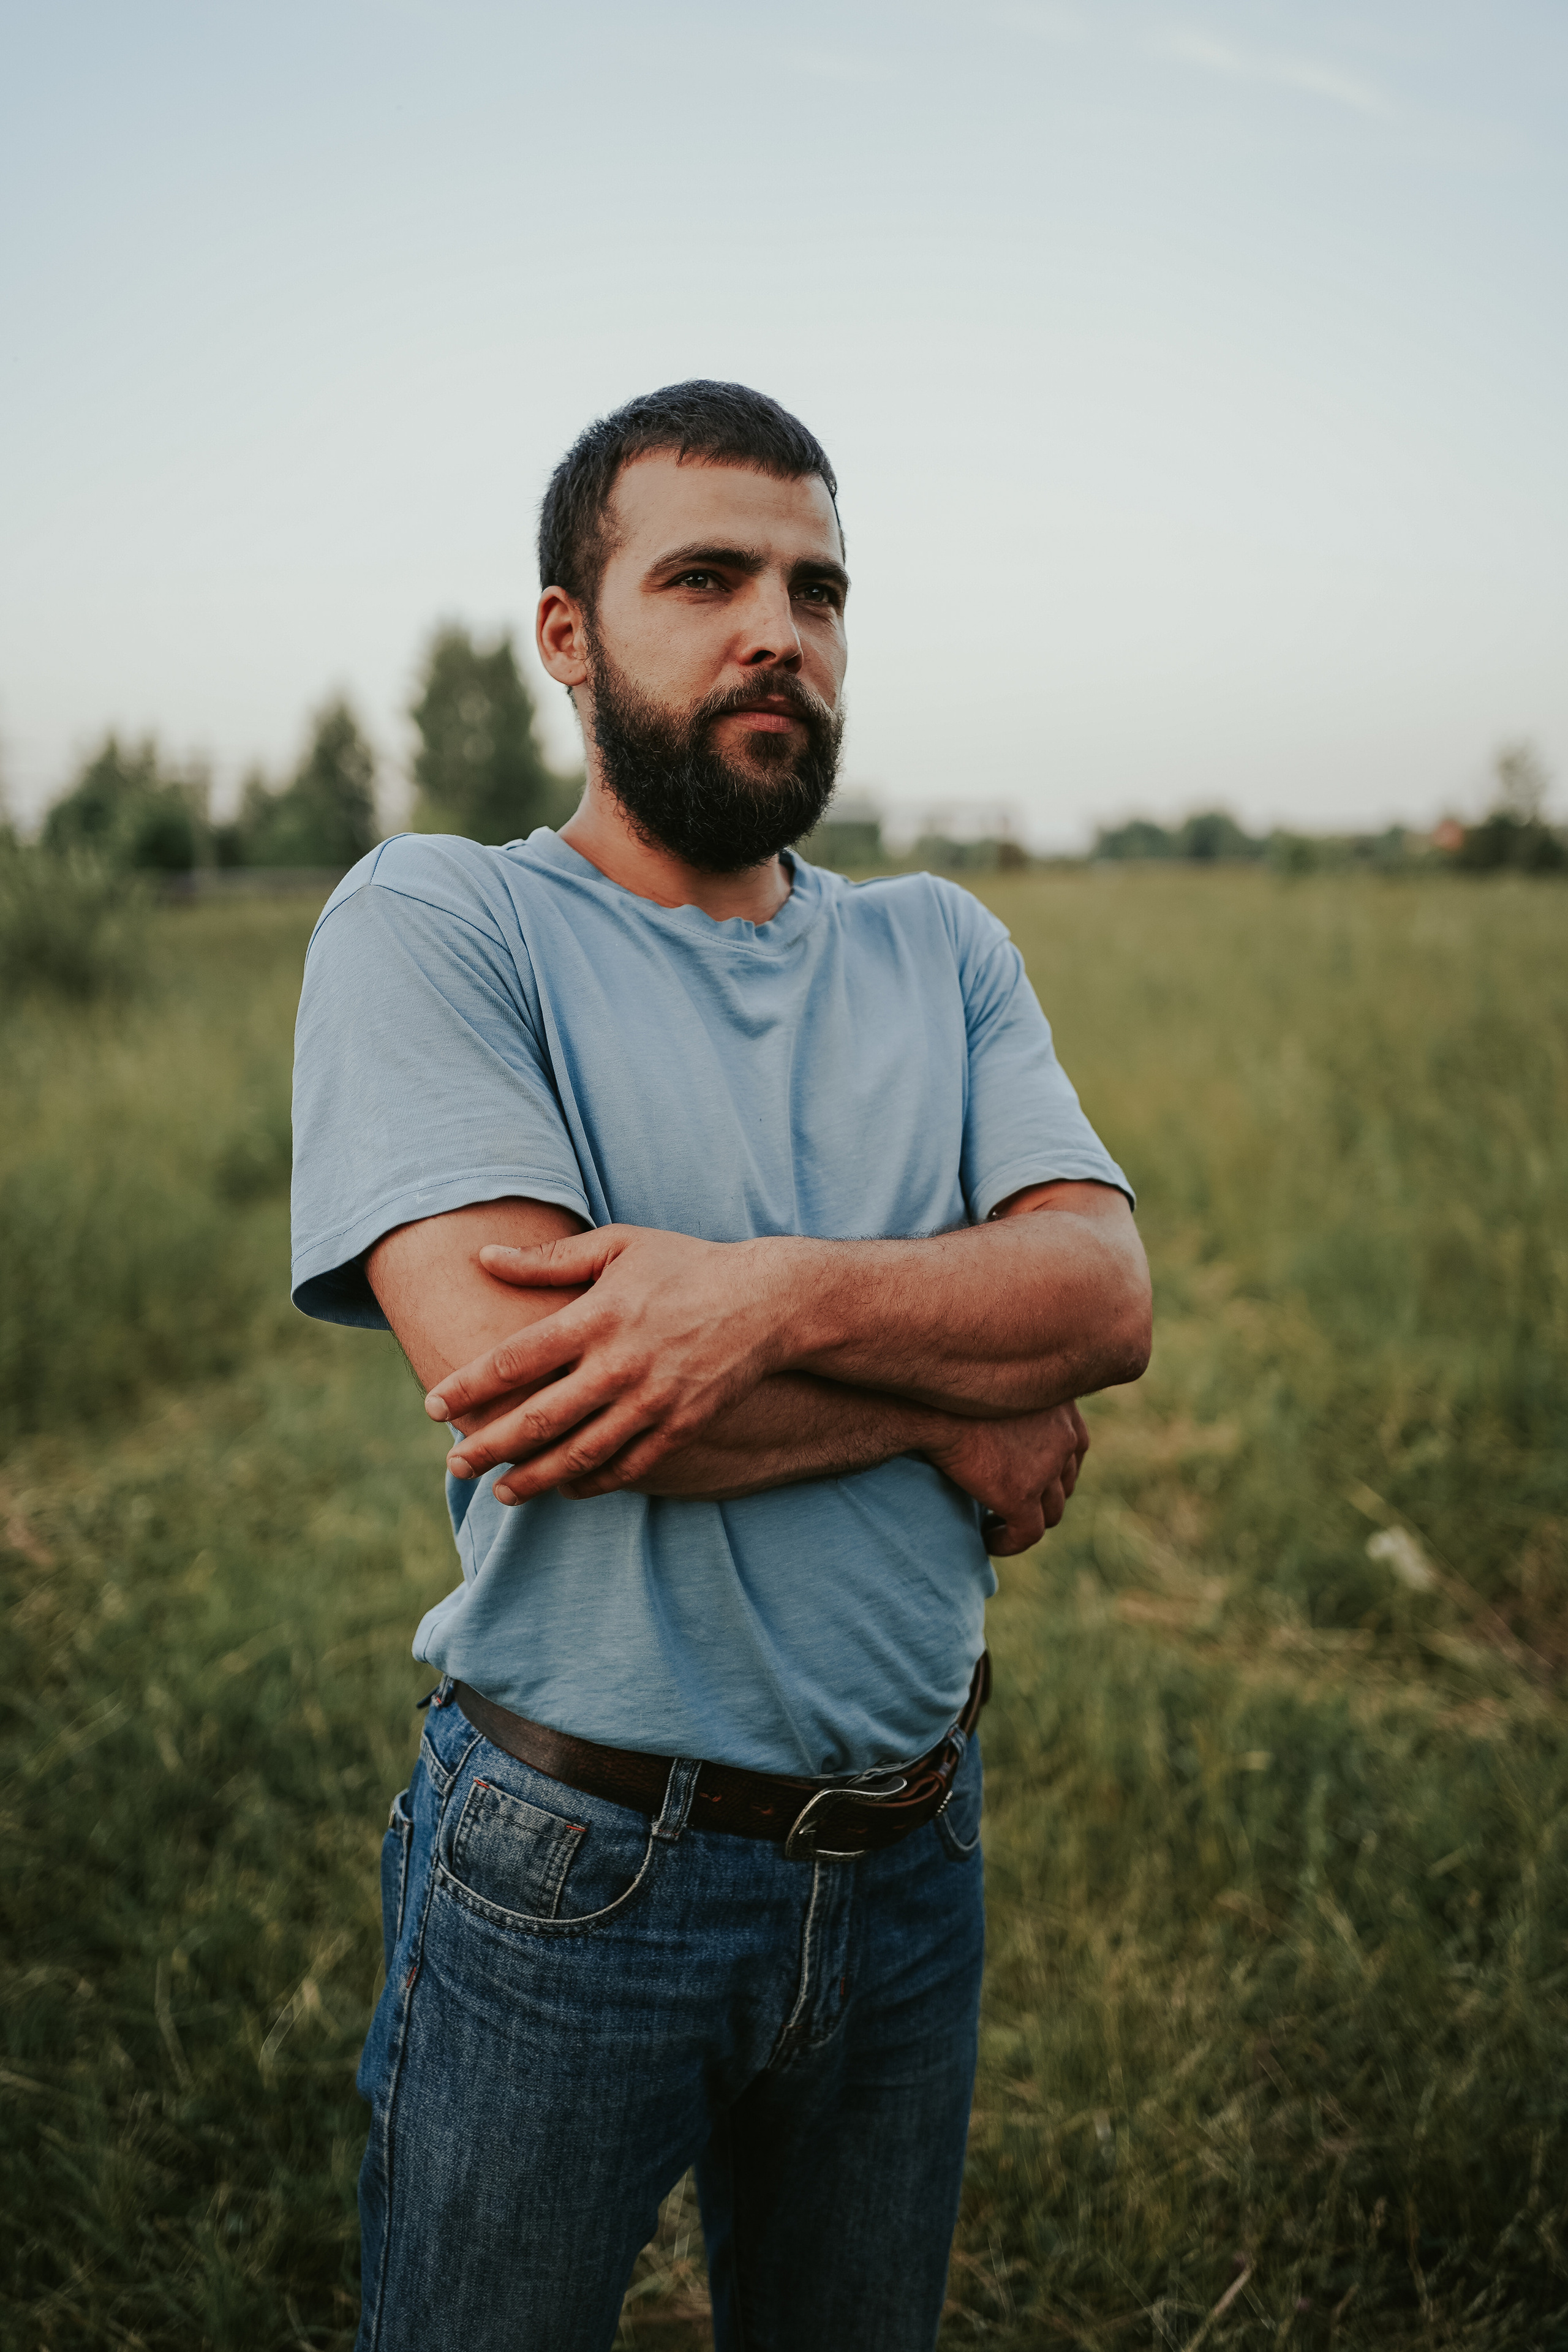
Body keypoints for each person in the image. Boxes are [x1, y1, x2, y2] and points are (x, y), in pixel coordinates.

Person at [290, 380, 1150, 2352]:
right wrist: (964, 1383)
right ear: (568, 636)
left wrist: (751, 1306)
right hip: (576, 1868)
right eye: (709, 576)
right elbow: (543, 1402)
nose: (785, 627)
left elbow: (1104, 1294)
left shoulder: (941, 949)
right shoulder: (443, 922)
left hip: (914, 1845)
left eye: (820, 587)